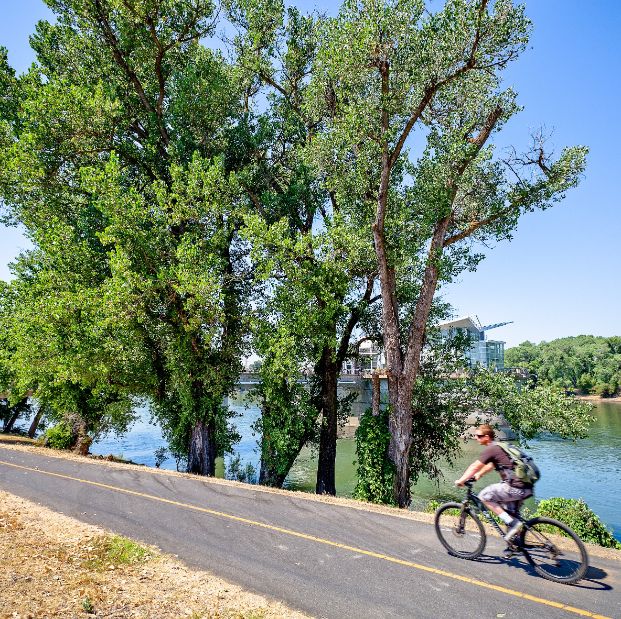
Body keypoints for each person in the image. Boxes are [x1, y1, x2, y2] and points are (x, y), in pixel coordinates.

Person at [455, 424, 533, 548]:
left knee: (484, 496)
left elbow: (475, 466)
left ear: (487, 437)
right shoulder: (500, 446)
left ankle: (513, 524)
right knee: (508, 513)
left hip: (515, 488)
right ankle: (514, 546)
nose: (476, 438)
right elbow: (491, 465)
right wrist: (478, 475)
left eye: (479, 436)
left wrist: (461, 480)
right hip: (525, 487)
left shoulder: (491, 449)